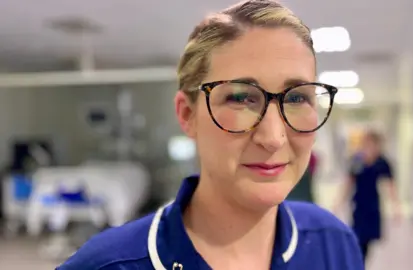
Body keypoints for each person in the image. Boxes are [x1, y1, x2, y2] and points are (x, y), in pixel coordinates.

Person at [57, 1, 364, 269]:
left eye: (297, 98)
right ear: (187, 115)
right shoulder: (107, 265)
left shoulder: (333, 245)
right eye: (241, 98)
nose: (273, 137)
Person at [334, 130, 401, 265]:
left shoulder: (382, 162)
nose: (369, 147)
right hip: (359, 205)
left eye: (372, 144)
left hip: (373, 206)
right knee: (356, 238)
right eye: (366, 144)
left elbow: (390, 185)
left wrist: (396, 207)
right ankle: (357, 264)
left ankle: (360, 264)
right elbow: (348, 182)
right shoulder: (356, 160)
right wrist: (338, 202)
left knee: (366, 242)